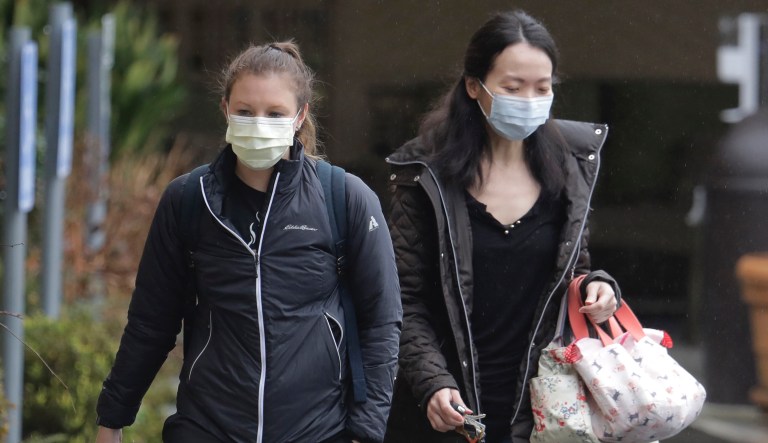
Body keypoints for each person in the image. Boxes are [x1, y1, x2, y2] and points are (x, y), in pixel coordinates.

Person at [95, 41, 402, 443]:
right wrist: (112, 419)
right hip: (207, 427)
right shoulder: (189, 200)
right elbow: (152, 321)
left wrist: (366, 431)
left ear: (300, 116)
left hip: (318, 430)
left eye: (275, 113)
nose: (259, 124)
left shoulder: (345, 198)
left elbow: (382, 321)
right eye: (245, 112)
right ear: (225, 110)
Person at [384, 10, 621, 443]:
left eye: (542, 87)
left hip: (543, 409)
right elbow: (402, 298)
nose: (529, 99)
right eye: (513, 88)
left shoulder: (570, 169)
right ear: (475, 86)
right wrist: (432, 381)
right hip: (447, 411)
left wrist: (597, 287)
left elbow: (572, 271)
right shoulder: (424, 173)